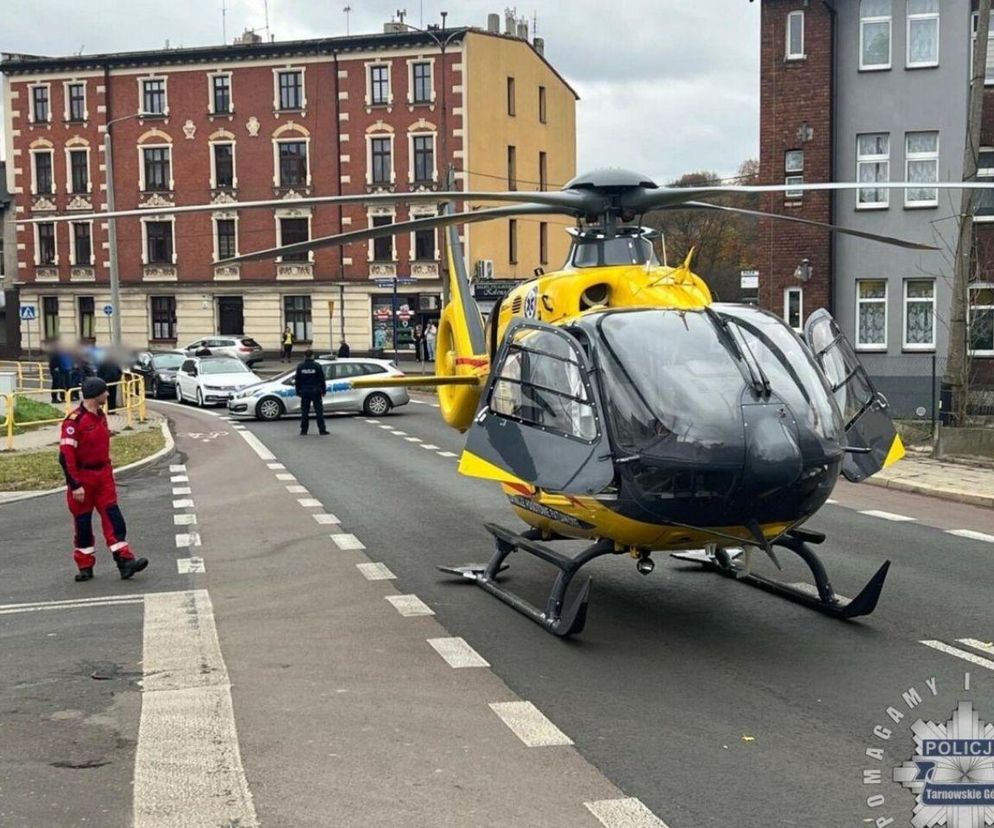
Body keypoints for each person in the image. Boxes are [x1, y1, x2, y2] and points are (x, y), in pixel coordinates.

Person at [60, 377, 148, 582]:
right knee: (82, 524)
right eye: (104, 392)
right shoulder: (74, 421)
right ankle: (84, 566)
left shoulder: (101, 415)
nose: (108, 395)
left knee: (114, 518)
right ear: (94, 394)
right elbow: (65, 456)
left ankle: (125, 562)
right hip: (83, 478)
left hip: (103, 476)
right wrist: (75, 485)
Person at [294, 349, 328, 436]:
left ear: (304, 356)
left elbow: (297, 380)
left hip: (305, 391)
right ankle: (322, 429)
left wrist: (297, 391)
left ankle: (304, 430)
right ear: (312, 356)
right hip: (315, 391)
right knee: (319, 411)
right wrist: (323, 390)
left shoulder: (300, 366)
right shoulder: (317, 366)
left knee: (305, 411)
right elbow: (321, 379)